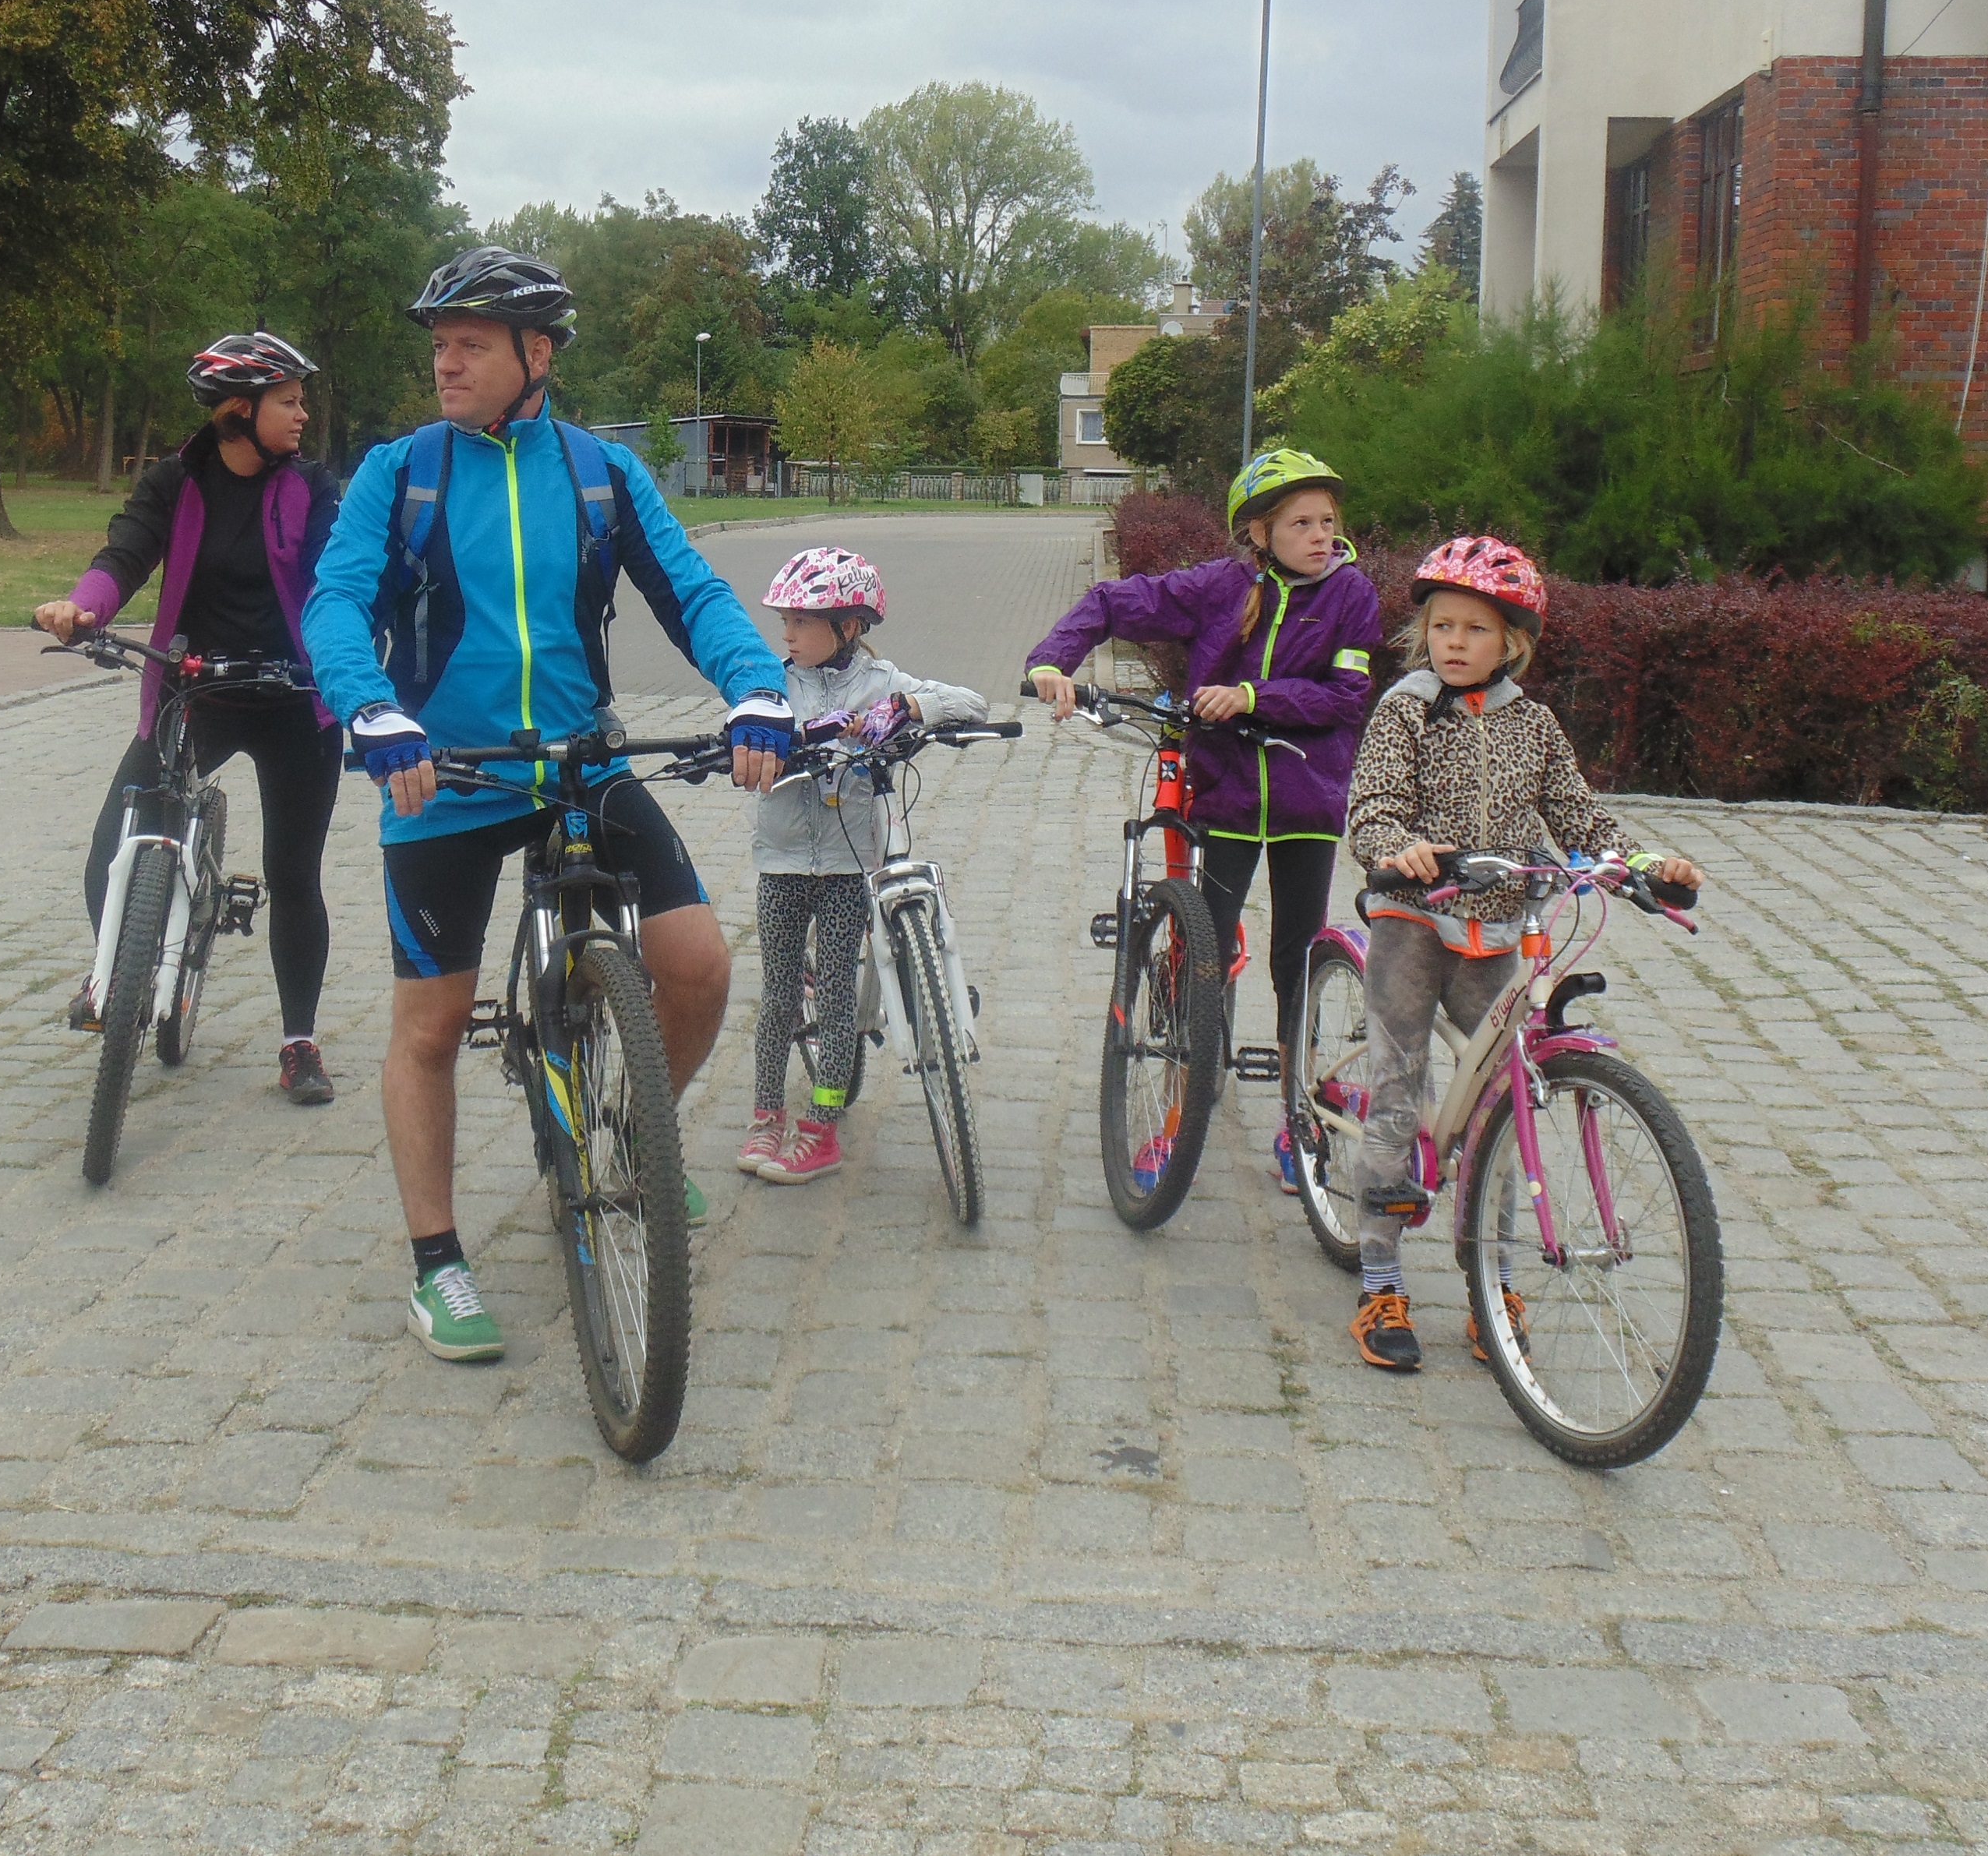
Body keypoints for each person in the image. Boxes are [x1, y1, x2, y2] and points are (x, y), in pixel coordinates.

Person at [302, 245, 793, 1363]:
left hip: (580, 762)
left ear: (540, 353)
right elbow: (333, 599)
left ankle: (628, 1138)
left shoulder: (598, 471)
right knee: (428, 1026)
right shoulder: (402, 471)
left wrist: (757, 686)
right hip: (444, 772)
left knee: (701, 967)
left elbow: (692, 590)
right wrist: (373, 711)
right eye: (438, 344)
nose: (446, 363)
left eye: (470, 344)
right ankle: (438, 1265)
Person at [1342, 535, 1706, 1372]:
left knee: (1497, 1107)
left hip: (1498, 932)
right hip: (1412, 919)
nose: (1454, 642)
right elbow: (1370, 806)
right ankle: (1379, 1277)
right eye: (1441, 627)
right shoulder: (1405, 709)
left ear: (1511, 642)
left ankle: (1491, 1277)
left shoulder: (1533, 725)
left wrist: (1643, 865)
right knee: (1398, 1090)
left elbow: (1580, 821)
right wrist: (1399, 846)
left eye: (1473, 629)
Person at [1026, 449, 1380, 1185]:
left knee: (1296, 959)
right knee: (1203, 955)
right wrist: (1051, 661)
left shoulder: (1351, 595)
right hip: (1225, 796)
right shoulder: (1220, 587)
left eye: (1328, 521)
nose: (1320, 535)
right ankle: (1181, 1109)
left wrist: (1252, 697)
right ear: (1258, 532)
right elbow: (1111, 603)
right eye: (1300, 523)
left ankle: (1300, 1114)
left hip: (1306, 803)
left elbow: (1347, 700)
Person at [34, 331, 346, 1105]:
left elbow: (338, 579)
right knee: (113, 846)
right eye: (289, 400)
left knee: (294, 873)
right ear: (237, 412)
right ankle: (120, 970)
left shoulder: (311, 488)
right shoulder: (174, 481)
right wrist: (82, 607)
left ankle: (298, 1040)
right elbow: (124, 556)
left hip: (291, 699)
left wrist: (350, 658)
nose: (302, 412)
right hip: (194, 692)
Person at [739, 546, 984, 1186]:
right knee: (779, 992)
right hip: (784, 859)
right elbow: (734, 730)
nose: (786, 634)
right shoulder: (771, 682)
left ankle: (820, 1127)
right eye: (784, 622)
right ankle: (766, 1113)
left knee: (841, 993)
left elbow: (972, 703)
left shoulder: (882, 682)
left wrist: (906, 711)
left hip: (851, 865)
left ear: (847, 627)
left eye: (800, 622)